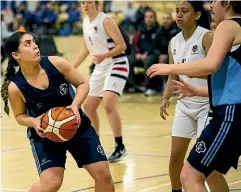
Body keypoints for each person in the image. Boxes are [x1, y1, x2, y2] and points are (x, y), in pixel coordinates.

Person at [1, 31, 115, 192]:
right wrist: (33, 121)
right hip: (45, 135)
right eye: (27, 44)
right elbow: (20, 116)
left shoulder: (57, 63)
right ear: (16, 55)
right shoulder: (15, 87)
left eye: (34, 41)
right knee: (51, 184)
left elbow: (82, 83)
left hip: (77, 126)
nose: (35, 45)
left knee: (103, 175)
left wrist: (75, 105)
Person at [147, 1, 241, 191]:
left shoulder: (226, 26)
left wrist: (170, 67)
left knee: (191, 175)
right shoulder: (174, 41)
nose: (211, 5)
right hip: (206, 104)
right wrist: (193, 90)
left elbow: (211, 65)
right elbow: (232, 79)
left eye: (214, 1)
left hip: (225, 111)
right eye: (177, 11)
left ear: (227, 3)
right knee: (195, 168)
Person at [74, 1, 128, 162]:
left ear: (96, 3)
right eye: (83, 2)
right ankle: (95, 144)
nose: (85, 5)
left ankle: (120, 146)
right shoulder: (85, 22)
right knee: (88, 106)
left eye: (89, 2)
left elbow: (122, 45)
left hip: (117, 63)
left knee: (108, 103)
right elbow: (85, 49)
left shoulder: (105, 20)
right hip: (101, 67)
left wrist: (104, 55)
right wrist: (70, 67)